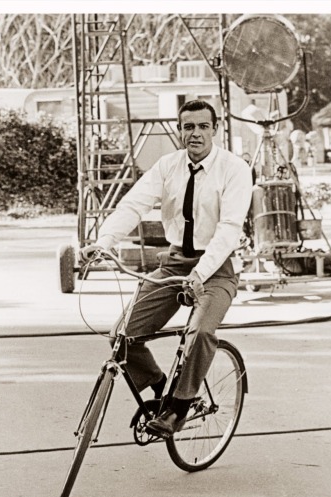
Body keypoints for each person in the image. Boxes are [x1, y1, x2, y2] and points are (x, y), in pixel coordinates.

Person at [79, 99, 253, 438]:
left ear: (214, 129)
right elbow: (133, 204)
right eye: (188, 127)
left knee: (201, 332)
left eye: (203, 126)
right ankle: (161, 387)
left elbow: (230, 227)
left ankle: (179, 406)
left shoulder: (234, 169)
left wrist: (200, 274)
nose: (196, 133)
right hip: (174, 263)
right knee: (123, 336)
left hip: (215, 268)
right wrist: (104, 243)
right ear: (179, 130)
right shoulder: (167, 165)